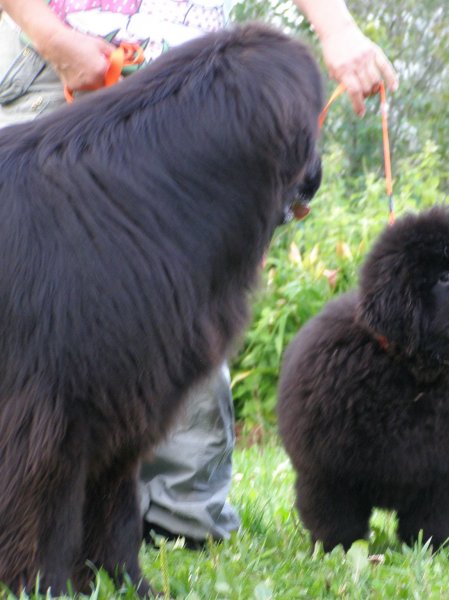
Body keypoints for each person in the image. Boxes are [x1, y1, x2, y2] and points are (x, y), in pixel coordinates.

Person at [0, 0, 396, 545]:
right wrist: (52, 37)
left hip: (194, 91)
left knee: (176, 335)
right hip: (57, 64)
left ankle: (142, 533)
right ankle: (35, 548)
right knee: (51, 362)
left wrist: (338, 29)